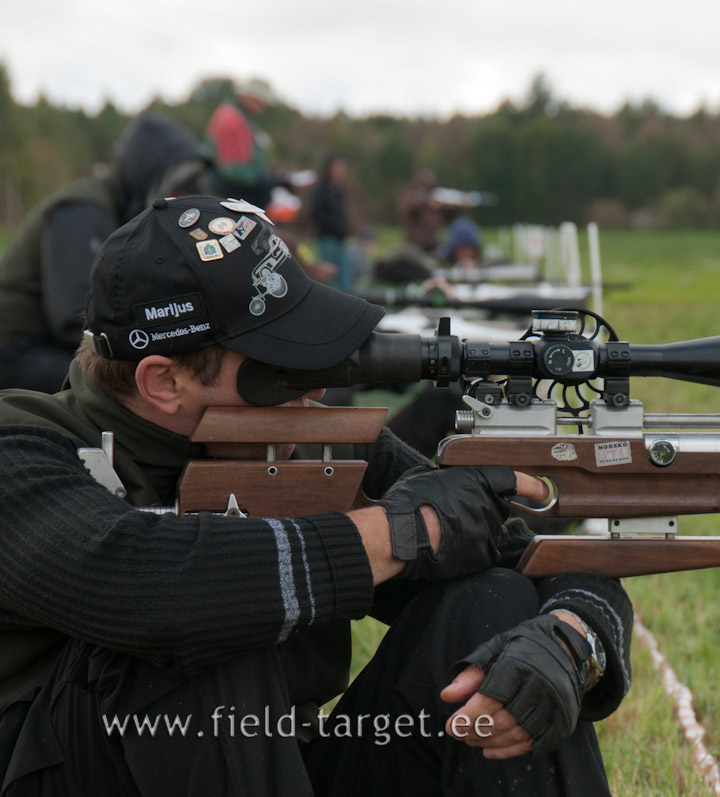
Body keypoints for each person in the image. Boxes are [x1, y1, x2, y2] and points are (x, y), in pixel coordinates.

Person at [0, 195, 632, 795]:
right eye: (278, 371)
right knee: (207, 618)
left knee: (495, 603)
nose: (315, 394)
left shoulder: (306, 441)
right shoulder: (20, 451)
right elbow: (150, 585)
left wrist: (574, 638)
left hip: (267, 765)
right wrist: (405, 532)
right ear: (163, 381)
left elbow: (538, 559)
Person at [0, 112, 209, 392]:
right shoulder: (84, 211)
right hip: (20, 350)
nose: (178, 196)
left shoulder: (122, 215)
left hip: (50, 347)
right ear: (148, 175)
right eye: (175, 184)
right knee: (137, 393)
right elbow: (76, 316)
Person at [205, 78, 290, 209]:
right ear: (248, 97)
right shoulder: (233, 120)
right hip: (229, 196)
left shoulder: (234, 115)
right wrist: (272, 181)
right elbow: (237, 171)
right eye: (262, 102)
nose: (265, 107)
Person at [311, 154, 352, 292]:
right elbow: (318, 212)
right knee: (327, 273)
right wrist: (332, 226)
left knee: (344, 272)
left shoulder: (338, 189)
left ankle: (347, 298)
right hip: (327, 236)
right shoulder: (322, 189)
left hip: (340, 237)